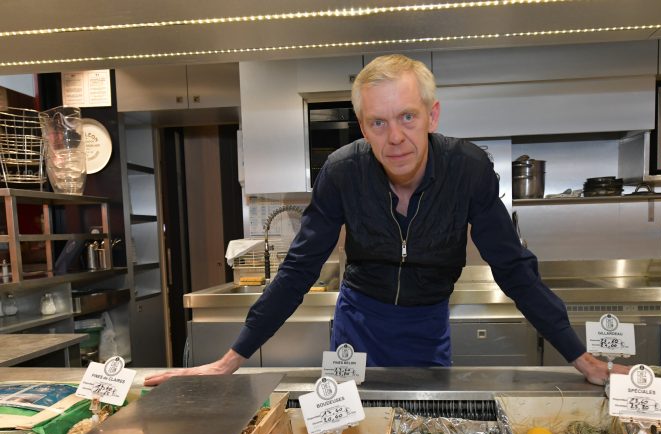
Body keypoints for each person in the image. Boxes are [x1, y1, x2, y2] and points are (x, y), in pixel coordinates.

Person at [145, 54, 628, 387]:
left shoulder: (469, 170)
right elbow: (298, 270)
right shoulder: (342, 172)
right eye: (378, 122)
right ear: (363, 127)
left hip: (428, 323)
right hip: (358, 324)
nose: (395, 137)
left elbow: (514, 267)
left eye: (408, 117)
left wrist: (578, 355)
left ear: (432, 115)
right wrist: (232, 360)